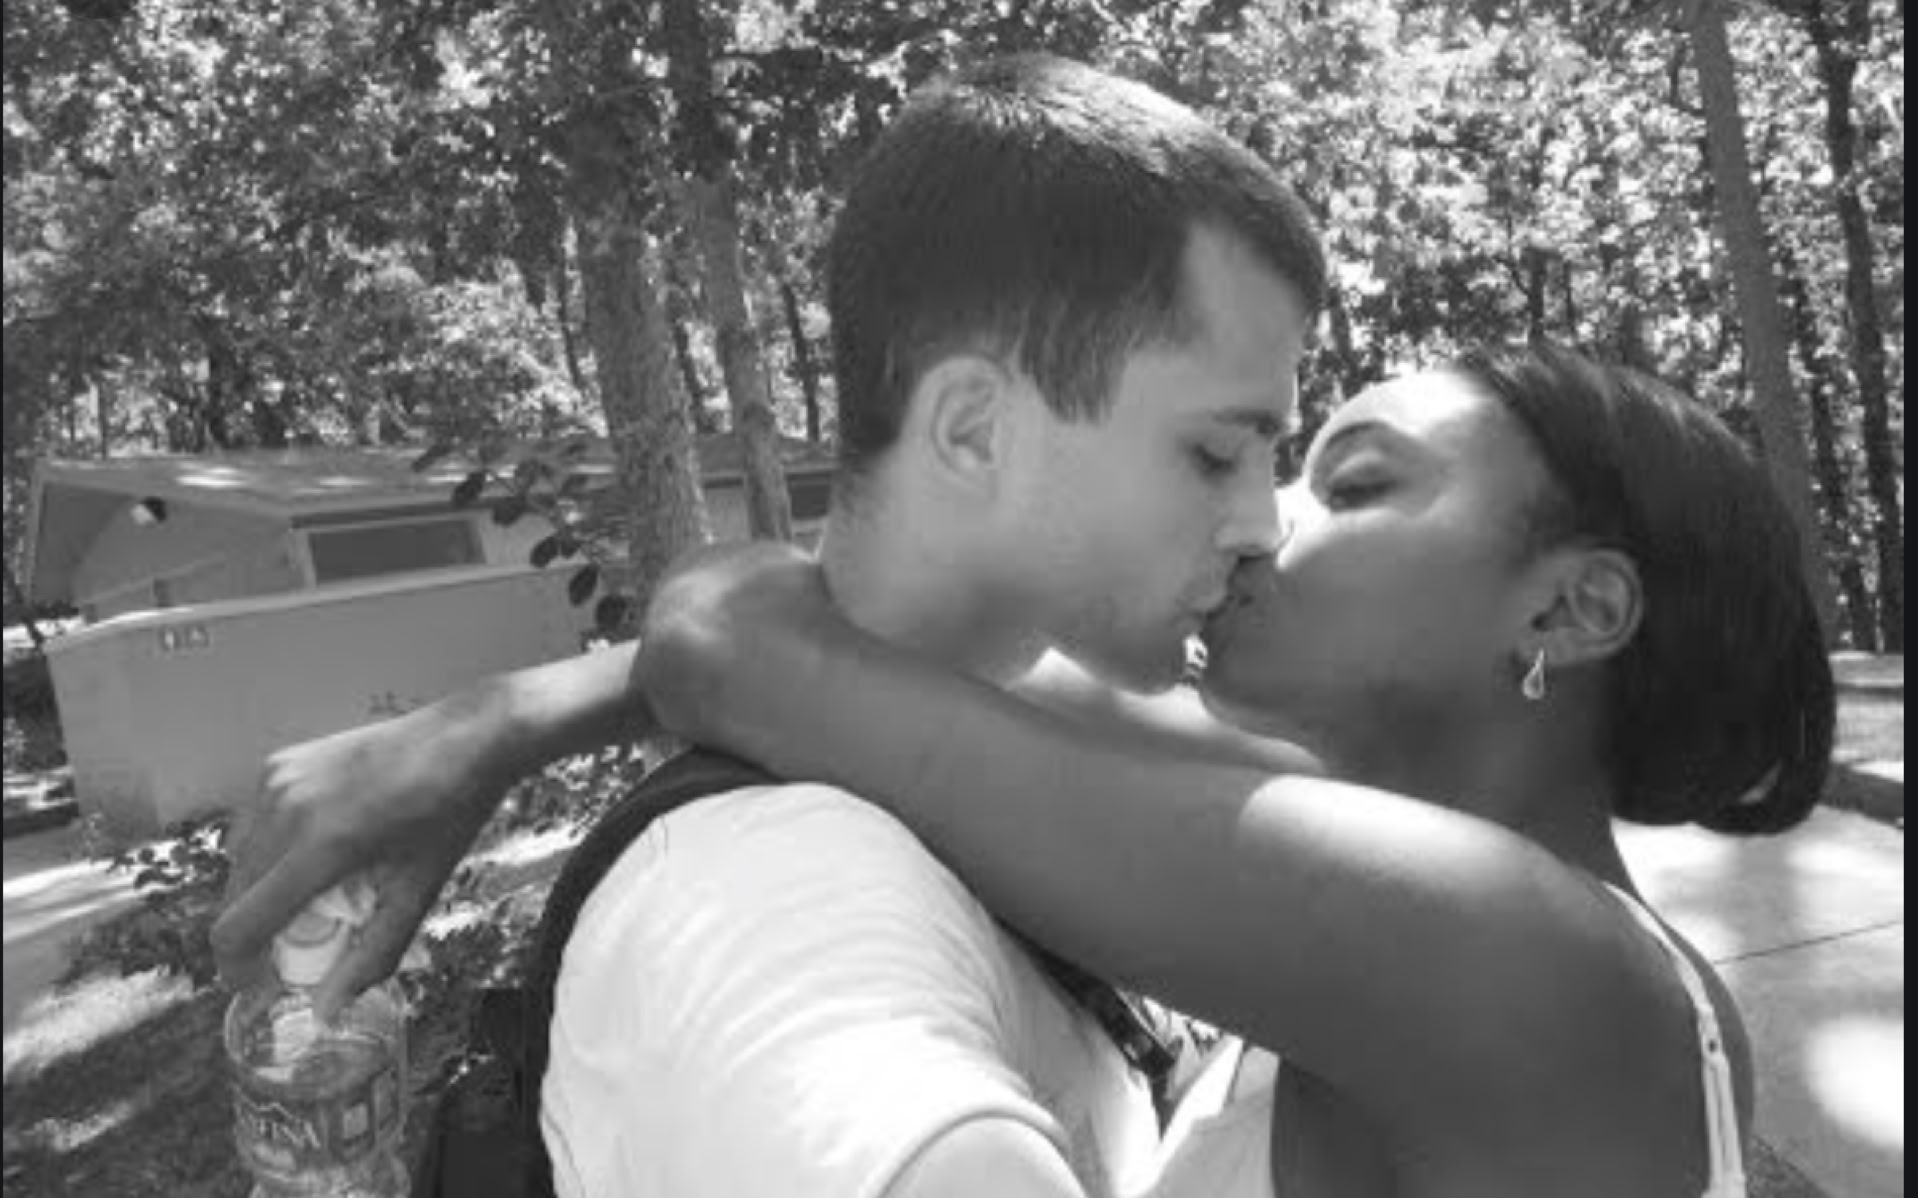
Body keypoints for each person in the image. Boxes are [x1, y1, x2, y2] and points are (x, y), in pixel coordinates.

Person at [216, 52, 1330, 1196]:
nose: (1266, 522)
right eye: (1215, 452)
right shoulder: (774, 910)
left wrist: (507, 718)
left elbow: (737, 620)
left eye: (1277, 457)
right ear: (972, 430)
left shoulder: (1045, 703)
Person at [629, 341, 1836, 1198]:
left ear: (1570, 610)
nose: (1258, 522)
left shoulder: (1510, 946)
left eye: (1353, 486)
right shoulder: (1381, 847)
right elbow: (904, 645)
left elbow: (737, 650)